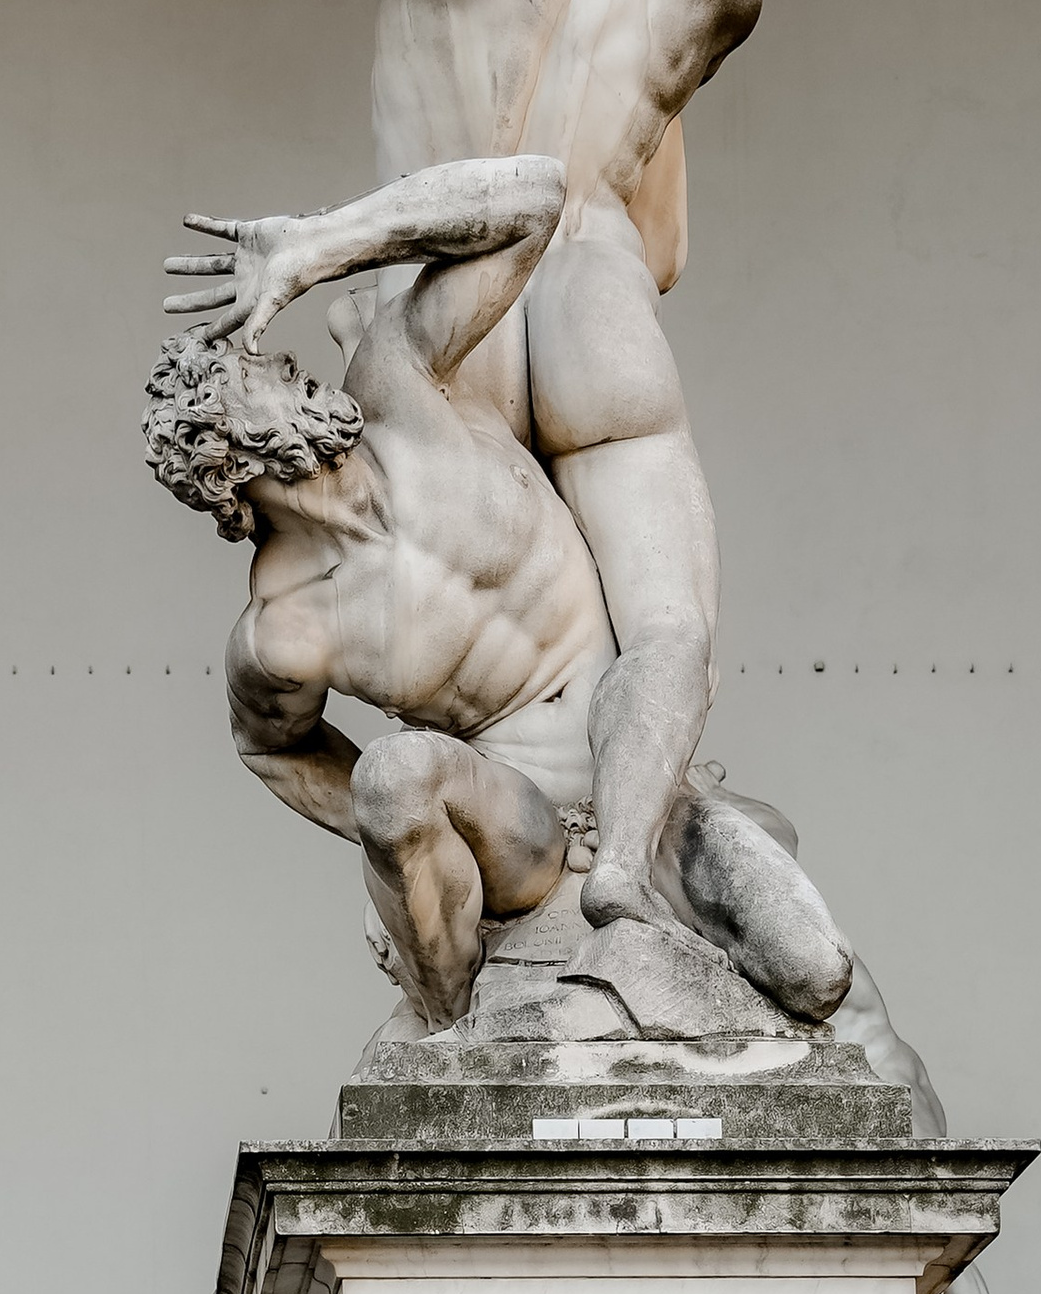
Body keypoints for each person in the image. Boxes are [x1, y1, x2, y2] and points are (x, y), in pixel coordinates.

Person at [145, 153, 852, 1030]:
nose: (285, 363)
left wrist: (322, 244)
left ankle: (623, 880)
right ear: (225, 448)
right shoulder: (285, 629)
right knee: (393, 774)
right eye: (257, 371)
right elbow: (270, 748)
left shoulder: (398, 388)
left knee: (814, 972)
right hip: (521, 831)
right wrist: (402, 853)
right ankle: (450, 1024)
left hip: (654, 787)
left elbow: (535, 198)